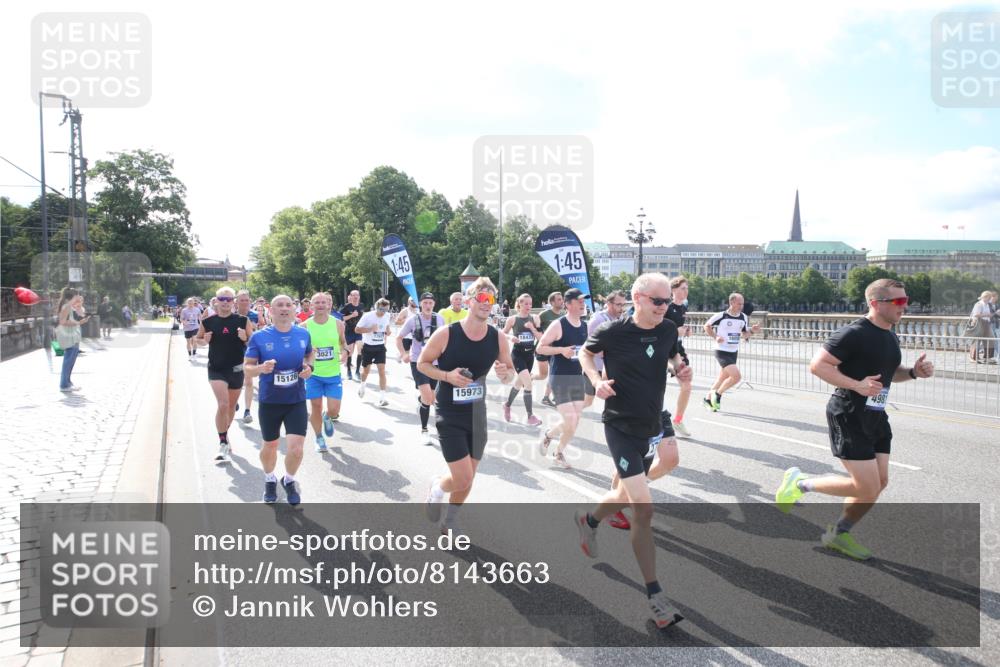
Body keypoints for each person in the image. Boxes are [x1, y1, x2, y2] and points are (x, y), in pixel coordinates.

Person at [776, 278, 934, 560]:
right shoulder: (853, 333)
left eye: (906, 300)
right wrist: (856, 385)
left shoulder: (889, 334)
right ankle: (799, 484)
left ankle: (839, 533)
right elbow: (818, 366)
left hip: (876, 415)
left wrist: (912, 372)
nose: (905, 306)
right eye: (898, 301)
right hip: (848, 414)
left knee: (880, 482)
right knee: (866, 486)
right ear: (875, 303)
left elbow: (888, 372)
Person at [575, 272, 689, 629]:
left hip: (653, 421)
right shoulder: (614, 331)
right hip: (621, 425)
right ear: (637, 298)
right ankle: (656, 597)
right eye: (658, 301)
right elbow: (585, 353)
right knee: (644, 506)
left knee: (628, 491)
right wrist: (597, 381)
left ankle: (589, 519)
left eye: (668, 301)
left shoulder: (668, 328)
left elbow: (672, 357)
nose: (665, 307)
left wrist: (680, 368)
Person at [419, 278, 515, 533]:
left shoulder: (498, 338)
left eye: (491, 300)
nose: (487, 304)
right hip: (449, 412)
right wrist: (448, 376)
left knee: (469, 476)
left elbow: (509, 376)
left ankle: (449, 522)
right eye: (482, 298)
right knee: (462, 477)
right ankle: (438, 488)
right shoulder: (448, 333)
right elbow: (423, 363)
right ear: (469, 300)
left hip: (476, 414)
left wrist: (505, 372)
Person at [244, 294, 314, 505]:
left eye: (288, 305)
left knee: (296, 448)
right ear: (271, 311)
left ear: (294, 309)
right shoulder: (259, 337)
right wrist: (260, 368)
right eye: (279, 306)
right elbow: (248, 368)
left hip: (296, 399)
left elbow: (310, 355)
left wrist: (309, 367)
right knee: (270, 446)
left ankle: (289, 480)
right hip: (270, 401)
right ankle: (269, 479)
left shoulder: (303, 334)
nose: (284, 309)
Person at [196, 287, 253, 464]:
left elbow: (253, 342)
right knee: (223, 404)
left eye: (229, 299)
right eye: (222, 299)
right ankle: (222, 442)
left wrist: (245, 338)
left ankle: (224, 435)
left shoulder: (243, 321)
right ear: (217, 300)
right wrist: (203, 340)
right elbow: (198, 339)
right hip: (216, 368)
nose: (225, 302)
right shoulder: (208, 321)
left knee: (230, 408)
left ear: (233, 301)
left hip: (236, 368)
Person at [537, 288, 590, 468]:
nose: (583, 303)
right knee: (570, 420)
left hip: (577, 377)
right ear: (568, 304)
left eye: (584, 300)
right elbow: (540, 348)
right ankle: (554, 445)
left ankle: (554, 444)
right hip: (559, 377)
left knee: (574, 422)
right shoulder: (559, 325)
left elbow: (584, 352)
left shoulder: (584, 326)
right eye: (579, 300)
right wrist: (561, 350)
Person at [397, 292, 447, 445]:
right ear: (420, 304)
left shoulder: (439, 319)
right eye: (425, 303)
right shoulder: (412, 320)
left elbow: (446, 339)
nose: (427, 306)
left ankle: (421, 401)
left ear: (434, 304)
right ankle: (424, 430)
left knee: (433, 399)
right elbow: (399, 337)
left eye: (430, 303)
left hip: (436, 363)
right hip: (418, 362)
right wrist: (403, 353)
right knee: (428, 397)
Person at [303, 292, 346, 453]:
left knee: (334, 410)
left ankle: (327, 416)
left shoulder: (338, 324)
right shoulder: (304, 326)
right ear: (311, 305)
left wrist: (345, 352)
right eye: (317, 302)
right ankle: (319, 438)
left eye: (323, 302)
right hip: (313, 374)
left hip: (333, 373)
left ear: (328, 305)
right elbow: (300, 349)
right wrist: (306, 357)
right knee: (315, 406)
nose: (320, 305)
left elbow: (342, 343)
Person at [702, 293, 758, 412]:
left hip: (733, 351)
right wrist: (716, 336)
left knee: (722, 378)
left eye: (742, 304)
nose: (741, 306)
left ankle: (707, 399)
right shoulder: (721, 315)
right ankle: (718, 395)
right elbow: (707, 326)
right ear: (731, 303)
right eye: (739, 303)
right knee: (736, 377)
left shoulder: (743, 317)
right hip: (721, 350)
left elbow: (744, 335)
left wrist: (752, 331)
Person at [500, 293, 544, 427]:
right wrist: (510, 338)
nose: (529, 306)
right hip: (517, 355)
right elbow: (502, 333)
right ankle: (530, 416)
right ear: (519, 304)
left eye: (530, 304)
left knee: (519, 384)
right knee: (528, 384)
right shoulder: (512, 319)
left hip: (530, 356)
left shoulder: (535, 318)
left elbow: (541, 337)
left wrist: (532, 328)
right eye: (526, 304)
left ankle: (507, 405)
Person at [664, 277, 693, 437]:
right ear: (673, 290)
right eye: (682, 288)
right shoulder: (667, 308)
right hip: (664, 350)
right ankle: (666, 418)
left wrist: (684, 333)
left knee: (687, 386)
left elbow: (677, 331)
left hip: (677, 350)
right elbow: (660, 330)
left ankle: (678, 420)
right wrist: (677, 331)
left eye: (687, 288)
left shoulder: (683, 307)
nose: (685, 291)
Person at [355, 298, 392, 407]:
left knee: (382, 371)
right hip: (368, 347)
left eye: (386, 310)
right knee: (366, 371)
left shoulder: (387, 316)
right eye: (381, 309)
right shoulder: (368, 316)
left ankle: (382, 398)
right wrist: (370, 329)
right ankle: (362, 385)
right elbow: (357, 329)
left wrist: (388, 332)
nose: (383, 312)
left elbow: (387, 328)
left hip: (380, 347)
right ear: (376, 307)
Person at [533, 292, 565, 408]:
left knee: (554, 373)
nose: (562, 301)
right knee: (543, 375)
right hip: (542, 349)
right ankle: (530, 377)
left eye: (562, 299)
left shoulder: (563, 315)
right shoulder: (544, 314)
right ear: (552, 302)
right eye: (559, 300)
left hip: (554, 350)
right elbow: (535, 326)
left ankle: (547, 397)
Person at [56, 287, 90, 392]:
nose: (78, 297)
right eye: (77, 295)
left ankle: (68, 382)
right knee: (68, 360)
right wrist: (78, 323)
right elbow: (62, 322)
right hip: (68, 335)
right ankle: (64, 385)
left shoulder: (69, 306)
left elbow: (80, 313)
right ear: (73, 296)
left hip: (73, 335)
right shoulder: (66, 306)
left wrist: (80, 304)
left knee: (71, 360)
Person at [235, 291, 259, 422]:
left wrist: (254, 329)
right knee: (235, 382)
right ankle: (234, 401)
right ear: (236, 302)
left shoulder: (254, 315)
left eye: (247, 300)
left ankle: (247, 411)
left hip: (249, 352)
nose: (245, 303)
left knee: (248, 382)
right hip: (233, 353)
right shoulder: (231, 316)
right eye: (242, 300)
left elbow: (261, 331)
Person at [340, 290, 364, 381]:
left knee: (360, 349)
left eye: (357, 295)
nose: (355, 297)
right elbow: (341, 317)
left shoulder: (361, 306)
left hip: (358, 331)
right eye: (354, 295)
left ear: (359, 296)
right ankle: (349, 371)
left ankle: (357, 371)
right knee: (350, 352)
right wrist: (352, 316)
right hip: (349, 332)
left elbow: (362, 317)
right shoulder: (347, 307)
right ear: (351, 296)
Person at [968, 290, 996, 363]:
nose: (990, 299)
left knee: (990, 339)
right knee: (977, 340)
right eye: (989, 297)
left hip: (986, 323)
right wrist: (987, 315)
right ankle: (973, 358)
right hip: (979, 323)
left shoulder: (987, 304)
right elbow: (976, 314)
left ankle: (988, 357)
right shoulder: (979, 304)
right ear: (985, 297)